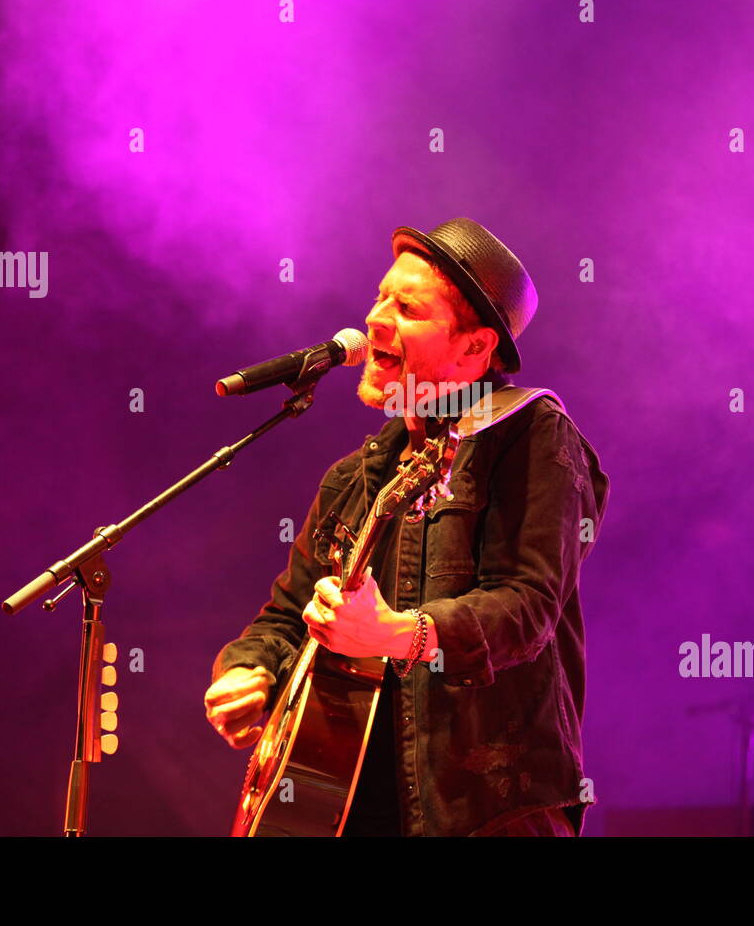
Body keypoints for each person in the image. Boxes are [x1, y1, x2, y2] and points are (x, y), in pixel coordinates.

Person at [204, 217, 609, 836]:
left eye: (407, 308)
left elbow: (526, 609)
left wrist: (400, 633)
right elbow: (287, 615)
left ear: (474, 349)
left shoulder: (530, 435)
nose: (375, 319)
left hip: (481, 807)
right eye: (379, 297)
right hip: (346, 804)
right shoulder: (356, 476)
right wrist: (248, 671)